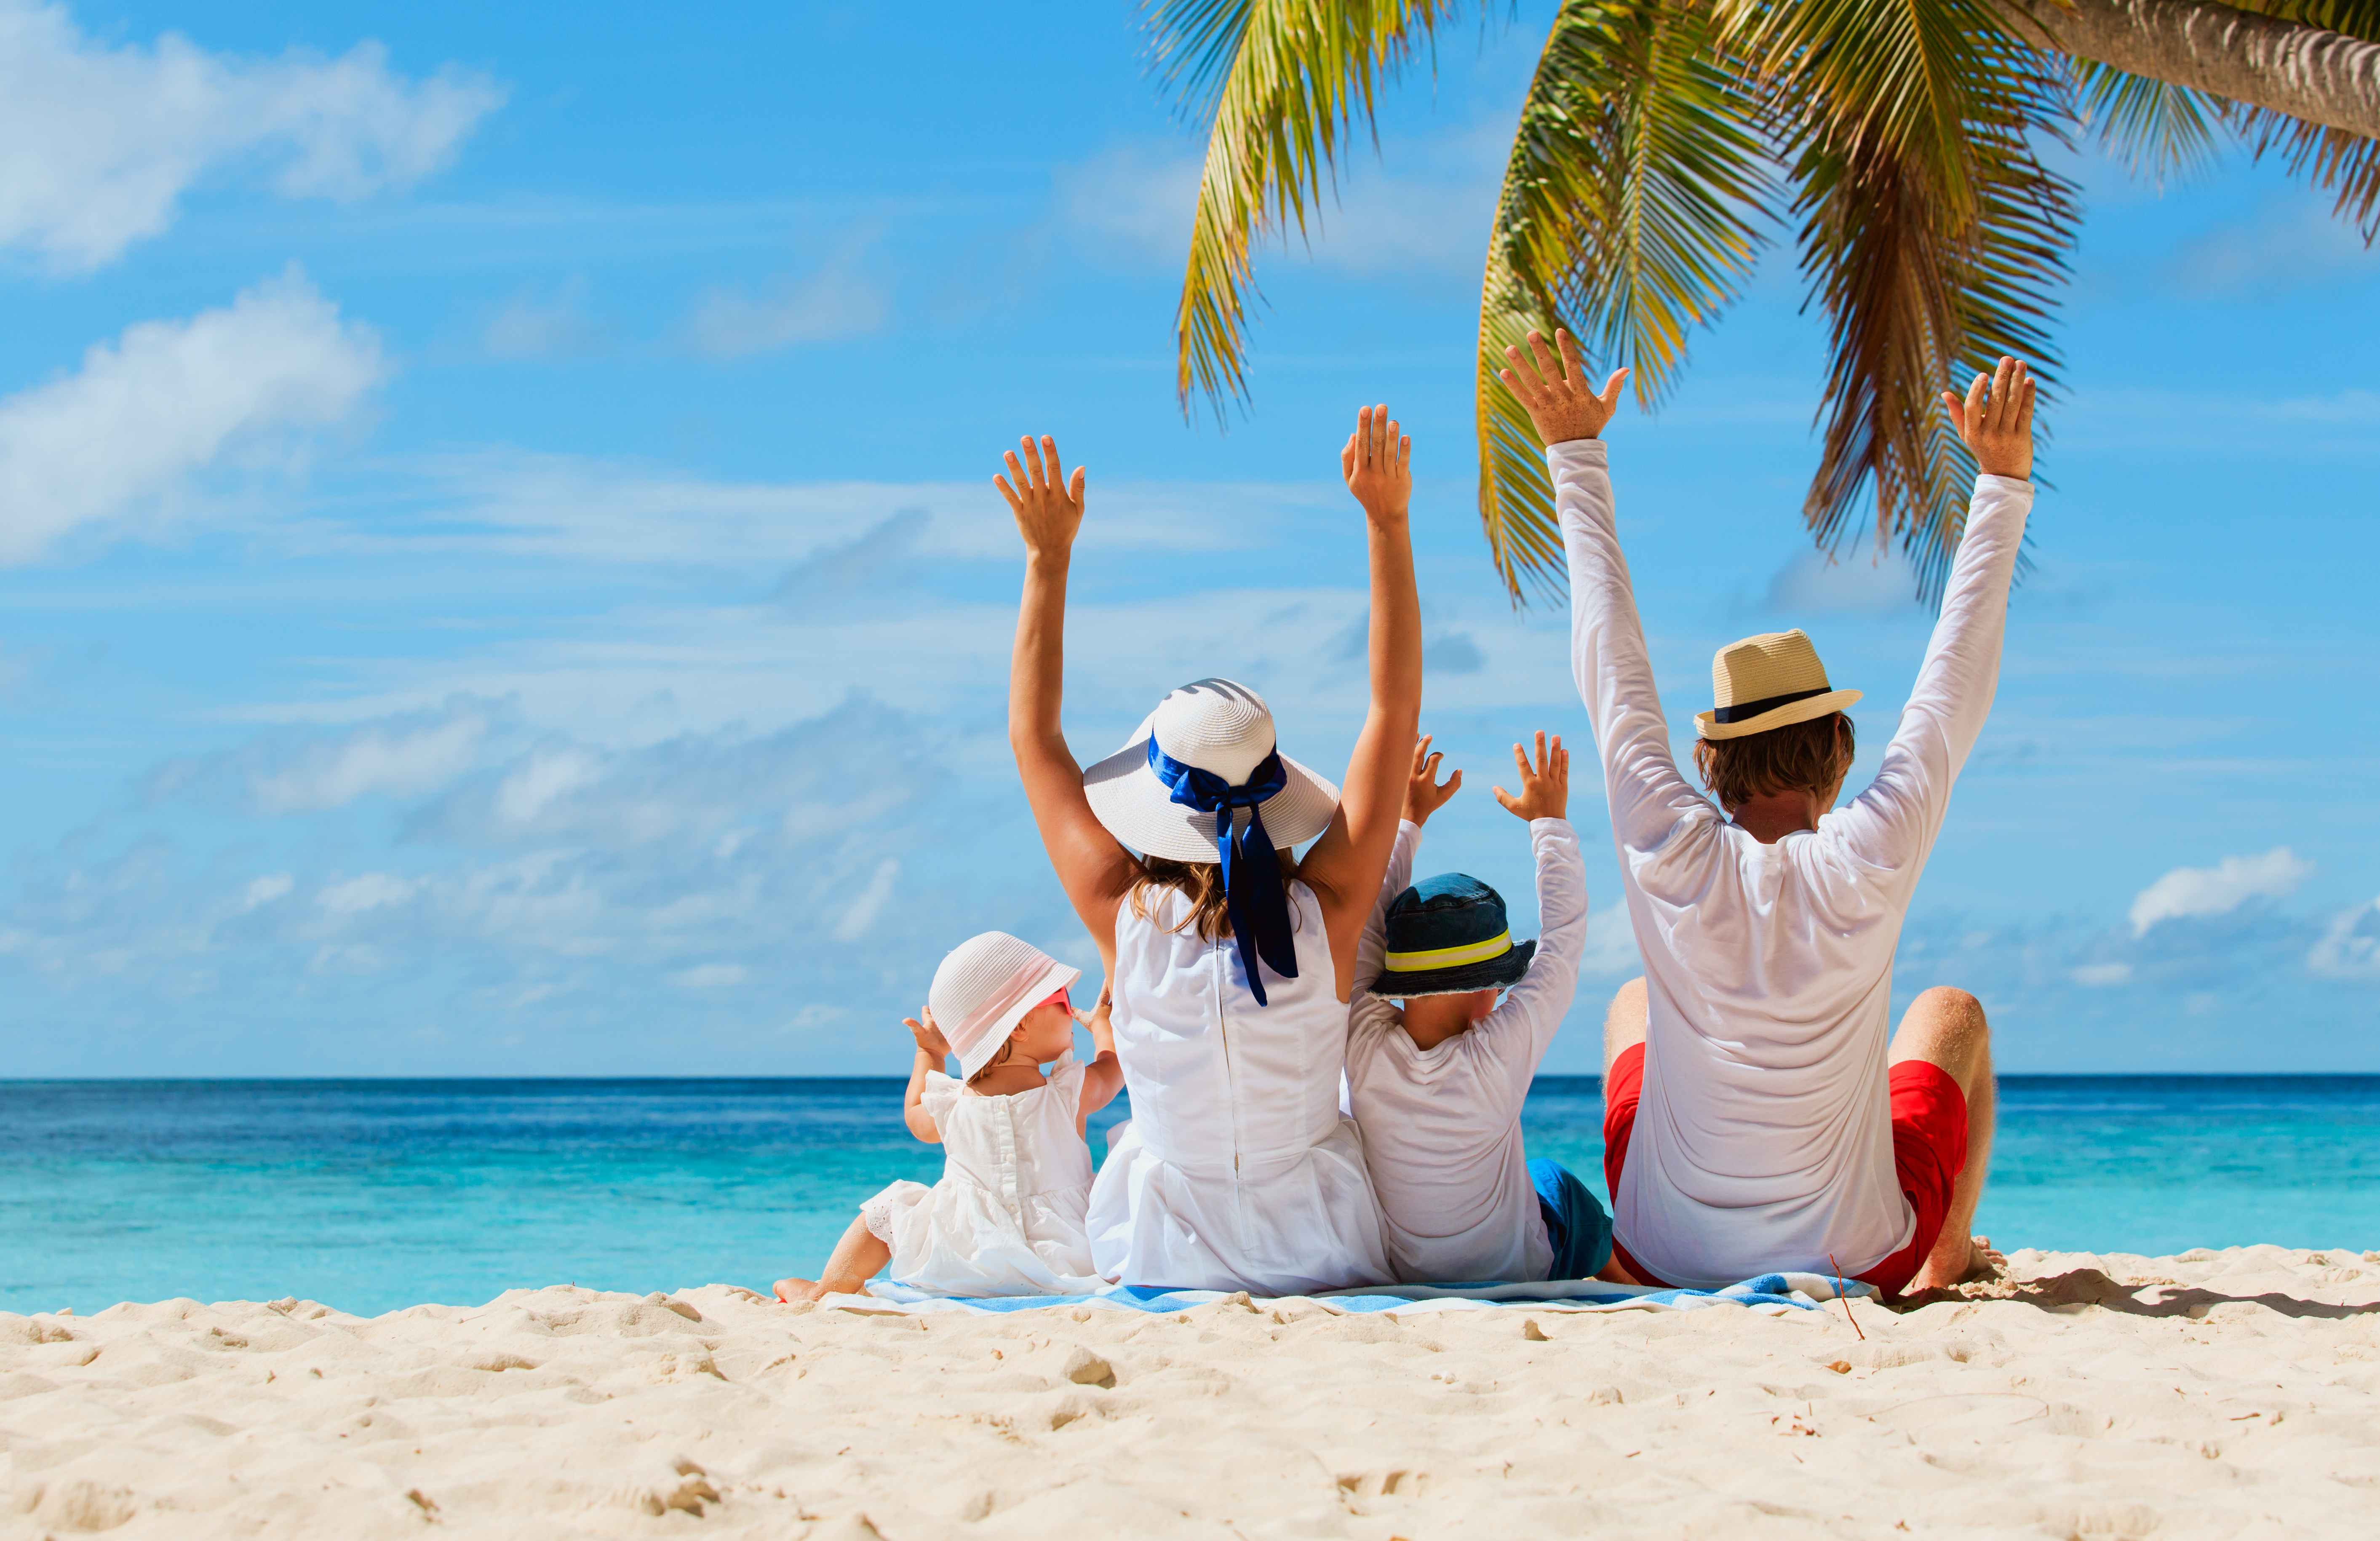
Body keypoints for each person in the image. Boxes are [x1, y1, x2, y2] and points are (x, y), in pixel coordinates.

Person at [1499, 331, 2034, 1296]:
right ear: (1838, 753)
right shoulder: (1869, 850)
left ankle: (1691, 1231)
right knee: (1951, 1013)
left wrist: (1574, 452)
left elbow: (1608, 660)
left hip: (1665, 1253)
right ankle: (1947, 1249)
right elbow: (1952, 687)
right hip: (1860, 1254)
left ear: (1708, 762)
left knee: (1631, 1004)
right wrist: (1998, 486)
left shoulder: (1666, 841)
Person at [996, 409, 1421, 1293]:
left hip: (1160, 1247)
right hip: (1317, 1243)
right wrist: (1387, 524)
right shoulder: (1327, 910)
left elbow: (1034, 739)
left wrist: (1048, 561)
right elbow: (1391, 712)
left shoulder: (1121, 911)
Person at [1346, 732, 1611, 1284]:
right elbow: (1562, 947)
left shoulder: (1361, 1043)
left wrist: (1407, 822)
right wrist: (1549, 822)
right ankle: (1626, 1281)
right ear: (1488, 991)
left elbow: (1366, 925)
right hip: (1519, 1267)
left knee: (1542, 1182)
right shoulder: (1495, 1056)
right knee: (1556, 1184)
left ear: (1398, 978)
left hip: (1403, 1273)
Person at [772, 931, 1124, 1301]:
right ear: (1019, 1026)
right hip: (1067, 1257)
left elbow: (914, 1116)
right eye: (1062, 1000)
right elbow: (1114, 1067)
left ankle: (823, 1292)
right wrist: (1104, 1026)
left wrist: (931, 1054)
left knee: (889, 1209)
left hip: (966, 1257)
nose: (1071, 1010)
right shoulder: (1068, 1091)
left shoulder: (952, 1103)